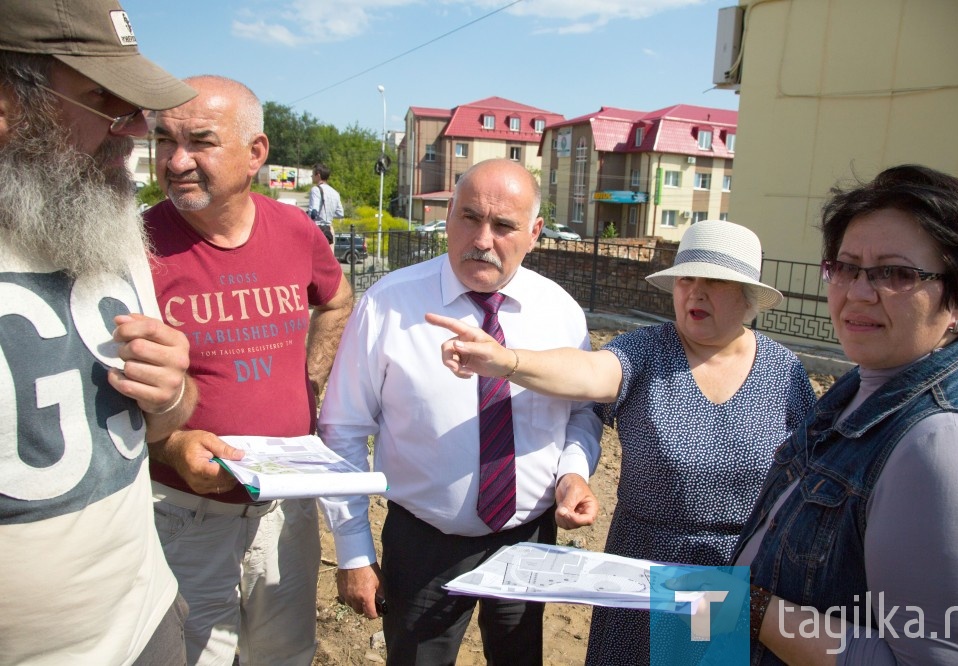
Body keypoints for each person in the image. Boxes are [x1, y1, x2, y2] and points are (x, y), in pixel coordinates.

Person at [431, 218, 816, 664]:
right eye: (686, 278)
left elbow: (807, 481)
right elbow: (587, 372)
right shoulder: (647, 352)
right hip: (644, 571)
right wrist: (507, 361)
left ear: (748, 296)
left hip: (731, 573)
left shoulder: (785, 374)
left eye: (715, 281)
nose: (695, 292)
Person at [318, 158, 603, 664]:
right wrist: (354, 550)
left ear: (535, 233)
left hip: (528, 538)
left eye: (504, 226)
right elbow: (343, 428)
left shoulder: (559, 311)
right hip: (423, 543)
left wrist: (572, 474)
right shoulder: (389, 304)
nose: (482, 239)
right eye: (469, 217)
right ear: (448, 216)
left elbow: (582, 412)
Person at [730, 165, 958, 664]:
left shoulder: (947, 445)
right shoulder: (856, 389)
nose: (856, 292)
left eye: (895, 273)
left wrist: (742, 606)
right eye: (847, 267)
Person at [0, 1, 197, 663]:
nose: (139, 128)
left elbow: (156, 431)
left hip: (145, 629)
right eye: (104, 100)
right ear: (7, 102)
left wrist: (170, 393)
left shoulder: (107, 223)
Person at [144, 75, 354, 666]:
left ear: (255, 154)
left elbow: (336, 299)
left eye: (200, 142)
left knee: (283, 655)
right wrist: (172, 443)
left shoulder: (294, 231)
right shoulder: (134, 244)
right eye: (165, 140)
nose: (176, 161)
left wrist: (310, 376)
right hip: (182, 510)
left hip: (284, 505)